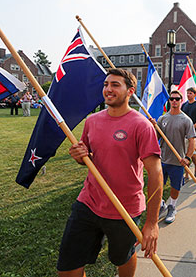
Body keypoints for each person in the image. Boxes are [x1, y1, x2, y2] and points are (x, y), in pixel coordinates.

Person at [60, 68, 163, 277]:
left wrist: (152, 223)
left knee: (121, 258)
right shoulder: (92, 121)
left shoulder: (141, 125)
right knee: (67, 267)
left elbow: (156, 173)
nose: (108, 89)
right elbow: (87, 158)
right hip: (88, 202)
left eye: (115, 85)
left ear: (130, 91)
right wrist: (79, 155)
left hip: (125, 209)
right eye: (106, 84)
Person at [155, 89, 196, 224]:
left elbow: (192, 141)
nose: (174, 101)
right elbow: (155, 139)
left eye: (177, 99)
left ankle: (172, 207)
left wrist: (188, 158)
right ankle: (162, 204)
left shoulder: (186, 120)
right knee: (158, 185)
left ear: (180, 101)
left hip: (178, 161)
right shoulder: (162, 119)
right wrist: (152, 127)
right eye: (172, 99)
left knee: (175, 187)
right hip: (162, 159)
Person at [181, 87, 196, 179]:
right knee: (185, 154)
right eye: (187, 93)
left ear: (194, 94)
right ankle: (187, 174)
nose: (188, 95)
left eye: (190, 93)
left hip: (195, 134)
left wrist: (192, 127)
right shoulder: (184, 105)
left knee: (192, 153)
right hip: (184, 133)